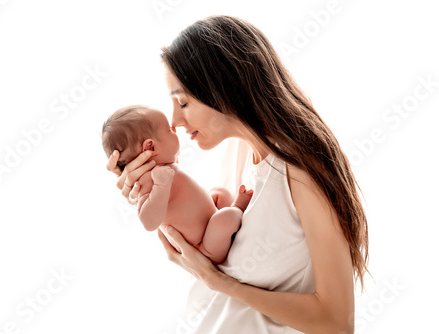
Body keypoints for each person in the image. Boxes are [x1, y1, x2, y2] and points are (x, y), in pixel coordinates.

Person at [106, 15, 368, 334]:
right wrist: (146, 189)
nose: (174, 120)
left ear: (226, 90)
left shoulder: (300, 171)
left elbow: (336, 323)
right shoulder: (240, 151)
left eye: (184, 102)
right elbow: (220, 252)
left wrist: (218, 281)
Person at [102, 105, 253, 264]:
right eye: (169, 130)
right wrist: (161, 186)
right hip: (203, 248)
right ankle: (236, 210)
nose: (175, 129)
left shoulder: (163, 167)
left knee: (219, 193)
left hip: (210, 226)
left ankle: (228, 224)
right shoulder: (147, 180)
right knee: (226, 217)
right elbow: (149, 222)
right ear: (151, 147)